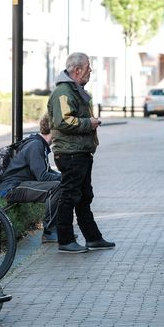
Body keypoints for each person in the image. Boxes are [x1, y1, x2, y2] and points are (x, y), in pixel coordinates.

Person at [47, 52, 115, 253]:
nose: (90, 71)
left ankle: (93, 238)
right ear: (76, 70)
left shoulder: (74, 90)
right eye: (88, 68)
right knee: (69, 196)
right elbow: (63, 121)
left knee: (84, 196)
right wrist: (90, 123)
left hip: (79, 151)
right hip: (71, 153)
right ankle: (65, 241)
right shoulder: (64, 92)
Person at [0, 113, 61, 243]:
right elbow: (42, 176)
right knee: (56, 188)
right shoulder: (36, 145)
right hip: (12, 188)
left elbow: (47, 171)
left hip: (20, 184)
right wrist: (63, 179)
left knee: (62, 185)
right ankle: (49, 232)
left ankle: (60, 229)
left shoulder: (41, 145)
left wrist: (65, 177)